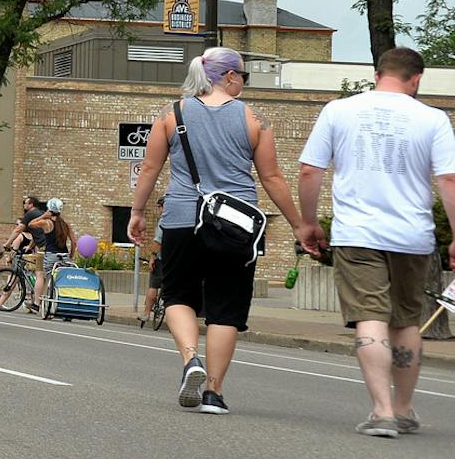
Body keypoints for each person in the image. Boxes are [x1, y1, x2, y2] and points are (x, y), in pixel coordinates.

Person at [128, 47, 319, 416]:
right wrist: (300, 225)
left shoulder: (171, 114)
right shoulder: (255, 120)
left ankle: (190, 359)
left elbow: (150, 168)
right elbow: (272, 178)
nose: (244, 82)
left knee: (178, 296)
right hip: (235, 225)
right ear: (229, 76)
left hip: (182, 220)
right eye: (243, 76)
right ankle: (214, 392)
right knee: (225, 308)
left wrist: (137, 212)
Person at [295, 46, 455, 437]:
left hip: (357, 234)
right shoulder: (433, 118)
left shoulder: (338, 111)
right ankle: (403, 409)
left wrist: (309, 223)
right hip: (412, 236)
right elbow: (449, 180)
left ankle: (381, 412)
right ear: (416, 79)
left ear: (377, 74)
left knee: (370, 316)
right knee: (406, 321)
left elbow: (310, 170)